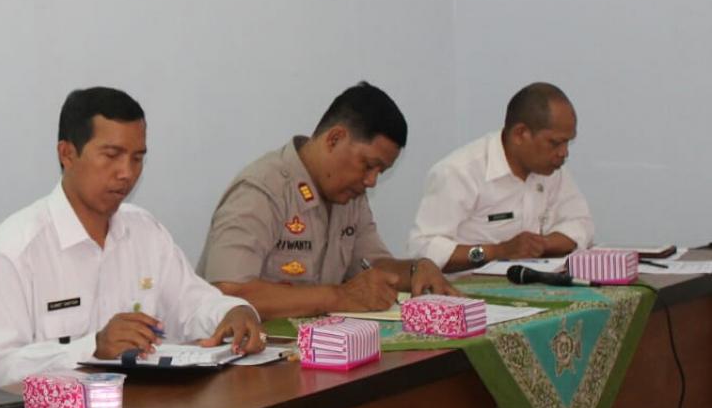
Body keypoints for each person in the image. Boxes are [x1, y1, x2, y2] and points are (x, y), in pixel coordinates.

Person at [0, 87, 263, 389]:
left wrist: (233, 312)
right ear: (67, 153)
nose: (126, 173)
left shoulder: (144, 231)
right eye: (112, 155)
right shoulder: (18, 246)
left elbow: (192, 304)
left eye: (137, 158)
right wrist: (91, 348)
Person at [197, 82, 456, 319]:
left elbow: (375, 267)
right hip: (250, 357)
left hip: (317, 351)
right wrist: (338, 297)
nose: (371, 181)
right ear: (334, 139)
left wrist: (417, 269)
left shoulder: (350, 196)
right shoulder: (262, 191)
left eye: (381, 172)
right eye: (368, 165)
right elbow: (228, 292)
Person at [407, 82, 594, 272]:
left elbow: (581, 225)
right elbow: (423, 250)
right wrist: (496, 251)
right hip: (466, 294)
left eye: (568, 142)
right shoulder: (459, 172)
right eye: (555, 143)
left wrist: (542, 244)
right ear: (520, 134)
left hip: (532, 286)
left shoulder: (552, 168)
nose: (564, 153)